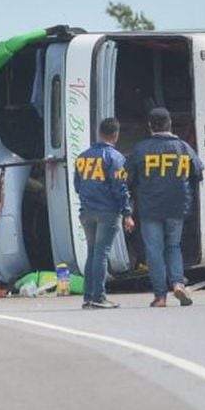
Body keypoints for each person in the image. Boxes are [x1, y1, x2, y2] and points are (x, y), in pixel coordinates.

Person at [125, 107, 204, 307]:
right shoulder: (184, 147)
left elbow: (128, 177)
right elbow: (198, 173)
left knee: (154, 250)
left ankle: (160, 296)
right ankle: (177, 282)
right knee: (173, 246)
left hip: (150, 207)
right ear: (170, 124)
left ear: (150, 126)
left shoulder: (141, 149)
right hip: (177, 206)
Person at [74, 117, 135, 309]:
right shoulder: (116, 158)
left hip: (87, 212)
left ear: (99, 132)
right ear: (116, 135)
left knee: (92, 253)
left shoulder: (82, 157)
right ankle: (98, 297)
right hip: (107, 212)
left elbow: (77, 185)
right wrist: (127, 213)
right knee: (101, 254)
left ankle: (88, 297)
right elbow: (120, 187)